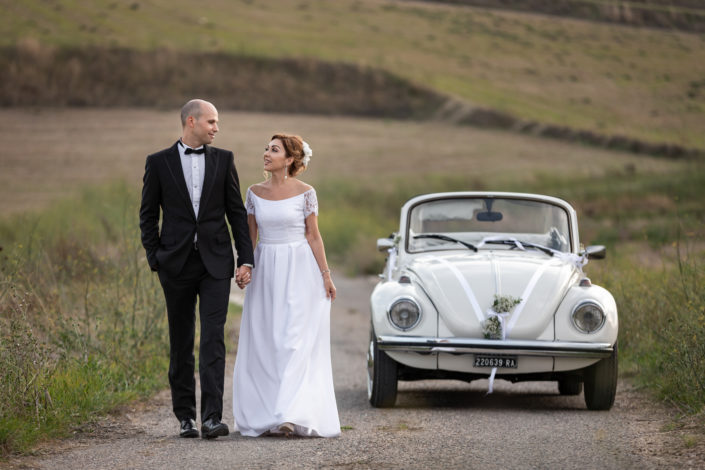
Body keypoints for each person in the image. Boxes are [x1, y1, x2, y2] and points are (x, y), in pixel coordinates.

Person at [139, 99, 254, 439]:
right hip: (174, 264)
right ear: (192, 121)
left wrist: (244, 259)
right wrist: (155, 257)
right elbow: (147, 215)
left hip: (215, 263)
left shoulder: (224, 160)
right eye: (212, 122)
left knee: (213, 340)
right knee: (181, 340)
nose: (216, 128)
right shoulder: (158, 163)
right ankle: (186, 417)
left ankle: (212, 418)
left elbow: (237, 213)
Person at [232, 133, 340, 438]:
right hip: (267, 268)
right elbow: (249, 237)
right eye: (266, 148)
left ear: (290, 159)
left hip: (299, 268)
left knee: (294, 340)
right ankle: (266, 412)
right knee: (268, 340)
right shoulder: (253, 193)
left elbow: (313, 236)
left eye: (274, 150)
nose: (266, 153)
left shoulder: (306, 193)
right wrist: (245, 265)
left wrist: (326, 275)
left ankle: (290, 413)